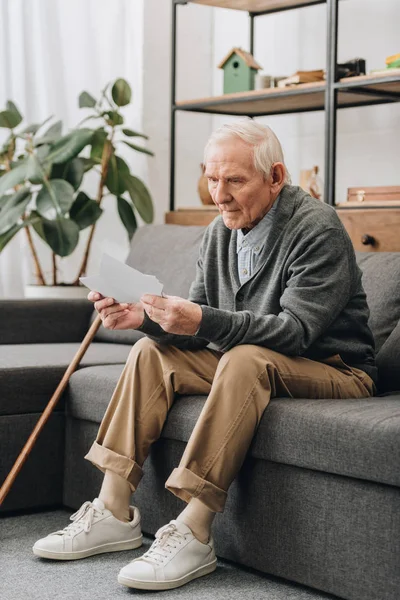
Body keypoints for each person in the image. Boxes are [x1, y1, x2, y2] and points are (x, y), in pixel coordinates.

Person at [33, 120, 377, 591]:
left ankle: (194, 529)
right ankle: (113, 509)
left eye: (234, 180)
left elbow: (295, 333)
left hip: (336, 368)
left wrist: (201, 319)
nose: (219, 194)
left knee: (243, 359)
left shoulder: (317, 228)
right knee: (151, 354)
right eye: (212, 179)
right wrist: (144, 319)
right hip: (257, 358)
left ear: (276, 176)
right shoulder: (220, 232)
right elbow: (197, 330)